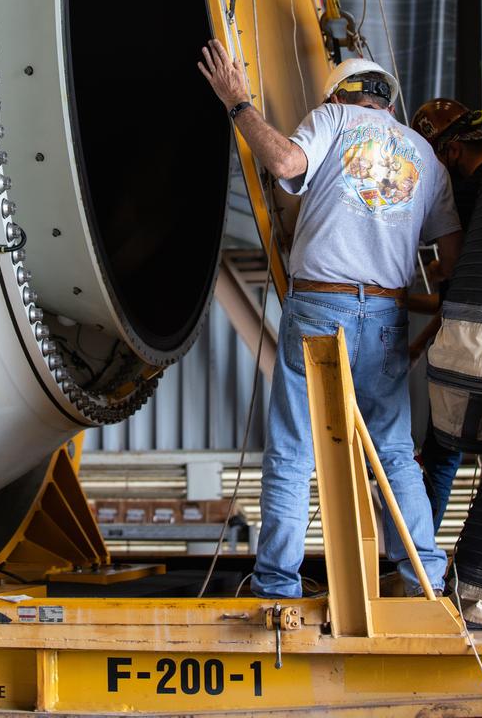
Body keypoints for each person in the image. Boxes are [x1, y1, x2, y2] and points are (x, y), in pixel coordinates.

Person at [198, 41, 462, 597]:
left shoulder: (333, 119)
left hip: (320, 305)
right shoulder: (423, 154)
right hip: (388, 313)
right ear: (387, 102)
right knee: (393, 449)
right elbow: (451, 260)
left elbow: (286, 164)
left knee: (295, 449)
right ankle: (426, 578)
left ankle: (276, 584)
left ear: (342, 94)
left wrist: (236, 101)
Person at [409, 99, 482, 532]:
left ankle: (418, 566)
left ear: (452, 152)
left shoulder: (462, 197)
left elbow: (453, 300)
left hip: (475, 351)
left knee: (441, 456)